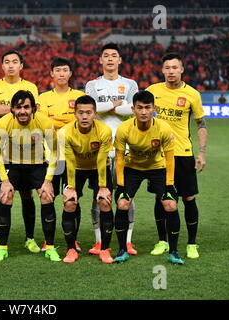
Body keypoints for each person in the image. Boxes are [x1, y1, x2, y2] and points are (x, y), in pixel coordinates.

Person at [147, 53, 207, 259]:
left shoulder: (192, 94)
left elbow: (201, 124)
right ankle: (162, 240)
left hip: (182, 153)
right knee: (160, 197)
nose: (171, 71)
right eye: (167, 68)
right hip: (158, 155)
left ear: (181, 70)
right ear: (162, 70)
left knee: (188, 197)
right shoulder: (152, 91)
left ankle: (192, 243)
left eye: (175, 67)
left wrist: (202, 152)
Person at [113, 90, 184, 264]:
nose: (144, 112)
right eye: (140, 108)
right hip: (133, 168)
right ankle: (122, 250)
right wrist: (121, 186)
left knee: (170, 204)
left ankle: (173, 251)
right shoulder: (124, 128)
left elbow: (169, 158)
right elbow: (120, 158)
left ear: (154, 108)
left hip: (157, 167)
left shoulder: (164, 128)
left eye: (147, 108)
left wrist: (169, 185)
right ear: (133, 109)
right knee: (122, 203)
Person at [0, 90, 61, 262]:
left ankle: (50, 247)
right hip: (12, 164)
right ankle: (2, 247)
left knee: (46, 196)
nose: (22, 111)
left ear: (34, 109)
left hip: (37, 164)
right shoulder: (4, 123)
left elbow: (55, 152)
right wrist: (5, 180)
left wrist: (48, 180)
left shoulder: (44, 122)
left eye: (26, 107)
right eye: (18, 108)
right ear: (12, 109)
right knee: (5, 196)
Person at [85, 43, 139, 256]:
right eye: (105, 56)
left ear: (119, 60)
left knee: (127, 197)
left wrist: (111, 106)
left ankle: (127, 242)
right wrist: (116, 105)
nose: (109, 59)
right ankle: (99, 242)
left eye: (113, 56)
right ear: (100, 60)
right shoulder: (91, 84)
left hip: (125, 150)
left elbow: (134, 109)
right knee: (100, 196)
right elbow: (90, 109)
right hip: (99, 150)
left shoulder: (130, 84)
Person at [0, 50, 41, 254]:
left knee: (27, 195)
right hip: (3, 147)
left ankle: (30, 238)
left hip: (28, 149)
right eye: (7, 62)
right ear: (2, 66)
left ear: (21, 66)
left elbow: (31, 112)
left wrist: (7, 108)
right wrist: (18, 109)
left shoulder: (30, 87)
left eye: (15, 62)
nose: (11, 65)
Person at [39, 56, 85, 253]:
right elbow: (43, 123)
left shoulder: (80, 96)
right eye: (58, 70)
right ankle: (48, 242)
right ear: (51, 73)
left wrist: (54, 118)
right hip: (49, 156)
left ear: (70, 73)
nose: (61, 74)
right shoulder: (43, 98)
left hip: (73, 157)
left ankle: (72, 240)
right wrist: (66, 118)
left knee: (72, 199)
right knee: (47, 197)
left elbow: (82, 120)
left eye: (65, 70)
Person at [61, 95, 114, 264]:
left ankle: (104, 249)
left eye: (89, 113)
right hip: (75, 168)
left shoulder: (104, 131)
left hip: (99, 168)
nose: (85, 116)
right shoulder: (65, 132)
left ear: (95, 114)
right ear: (74, 113)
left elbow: (101, 159)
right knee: (69, 202)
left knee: (104, 201)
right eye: (81, 112)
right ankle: (71, 248)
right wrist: (70, 187)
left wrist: (103, 186)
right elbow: (69, 160)